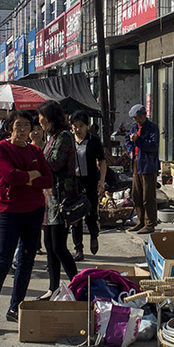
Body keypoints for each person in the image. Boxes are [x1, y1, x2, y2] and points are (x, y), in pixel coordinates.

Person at [0, 111, 53, 334]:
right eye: (18, 125)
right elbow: (11, 176)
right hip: (9, 213)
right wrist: (32, 176)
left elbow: (48, 179)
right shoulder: (0, 148)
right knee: (2, 263)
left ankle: (15, 308)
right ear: (10, 128)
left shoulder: (35, 150)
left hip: (34, 211)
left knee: (26, 261)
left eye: (26, 126)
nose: (22, 130)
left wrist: (26, 177)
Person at [37, 100, 79, 299]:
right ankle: (52, 287)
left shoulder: (64, 136)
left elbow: (54, 163)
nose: (39, 121)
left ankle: (77, 284)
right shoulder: (52, 137)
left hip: (61, 197)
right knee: (49, 245)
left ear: (50, 118)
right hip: (49, 197)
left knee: (59, 246)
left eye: (41, 117)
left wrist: (37, 149)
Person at [69, 110, 107, 260]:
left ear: (86, 126)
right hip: (74, 183)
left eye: (81, 126)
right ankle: (78, 248)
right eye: (75, 126)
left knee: (91, 214)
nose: (78, 129)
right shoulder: (69, 141)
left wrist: (101, 181)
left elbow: (102, 161)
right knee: (75, 217)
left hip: (90, 181)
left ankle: (93, 235)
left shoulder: (94, 140)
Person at [125, 104, 160, 234]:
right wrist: (130, 151)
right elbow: (127, 139)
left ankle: (150, 223)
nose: (136, 120)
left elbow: (153, 146)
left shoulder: (152, 128)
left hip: (148, 165)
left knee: (148, 196)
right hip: (136, 162)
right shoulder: (134, 127)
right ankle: (140, 221)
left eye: (138, 117)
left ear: (144, 115)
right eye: (134, 118)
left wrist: (138, 141)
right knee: (136, 194)